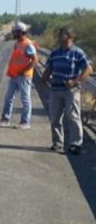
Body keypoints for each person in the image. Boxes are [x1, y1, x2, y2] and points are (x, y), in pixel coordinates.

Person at [42, 27, 92, 155]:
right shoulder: (54, 53)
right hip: (55, 90)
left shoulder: (77, 53)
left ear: (69, 37)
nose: (58, 38)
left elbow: (88, 69)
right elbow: (49, 67)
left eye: (61, 35)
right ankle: (57, 143)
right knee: (55, 118)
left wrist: (76, 81)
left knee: (73, 117)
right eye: (58, 35)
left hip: (71, 90)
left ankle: (76, 144)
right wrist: (45, 77)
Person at [0, 22, 36, 129]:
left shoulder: (28, 44)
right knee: (8, 97)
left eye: (15, 32)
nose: (13, 33)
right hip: (15, 75)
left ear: (20, 32)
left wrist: (24, 70)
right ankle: (5, 119)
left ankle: (25, 122)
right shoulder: (17, 44)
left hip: (24, 76)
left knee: (25, 99)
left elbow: (35, 60)